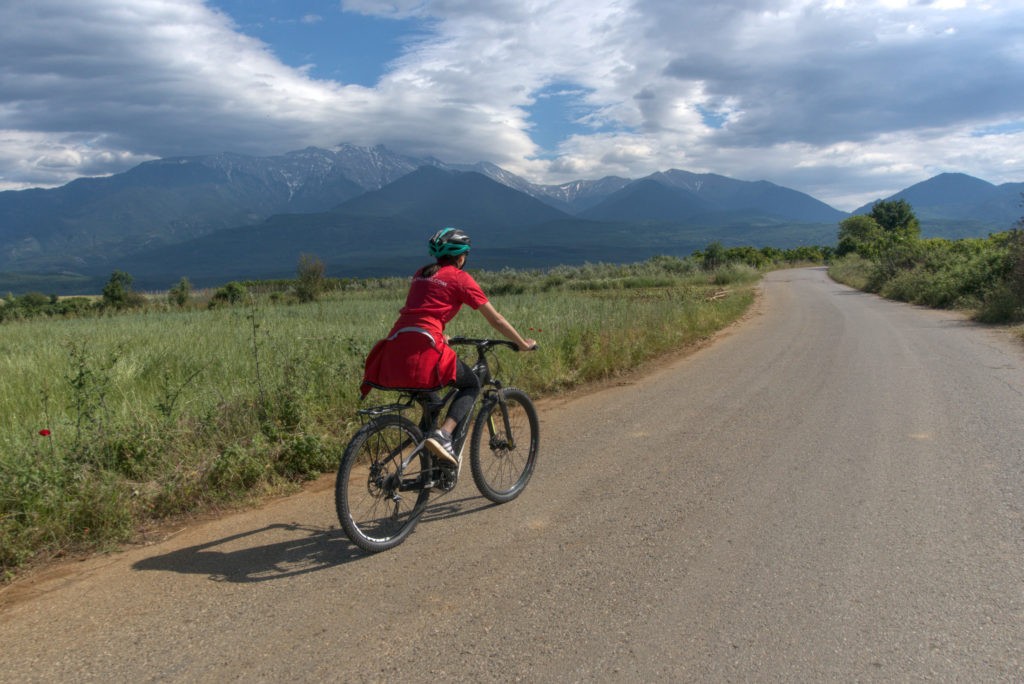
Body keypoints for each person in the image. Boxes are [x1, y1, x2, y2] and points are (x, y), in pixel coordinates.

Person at [360, 227, 537, 466]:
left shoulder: (420, 274)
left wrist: (441, 335)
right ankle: (444, 435)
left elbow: (421, 312)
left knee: (433, 402)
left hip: (396, 345)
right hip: (426, 347)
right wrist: (522, 343)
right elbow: (496, 319)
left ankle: (430, 465)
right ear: (462, 256)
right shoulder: (460, 278)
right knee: (471, 384)